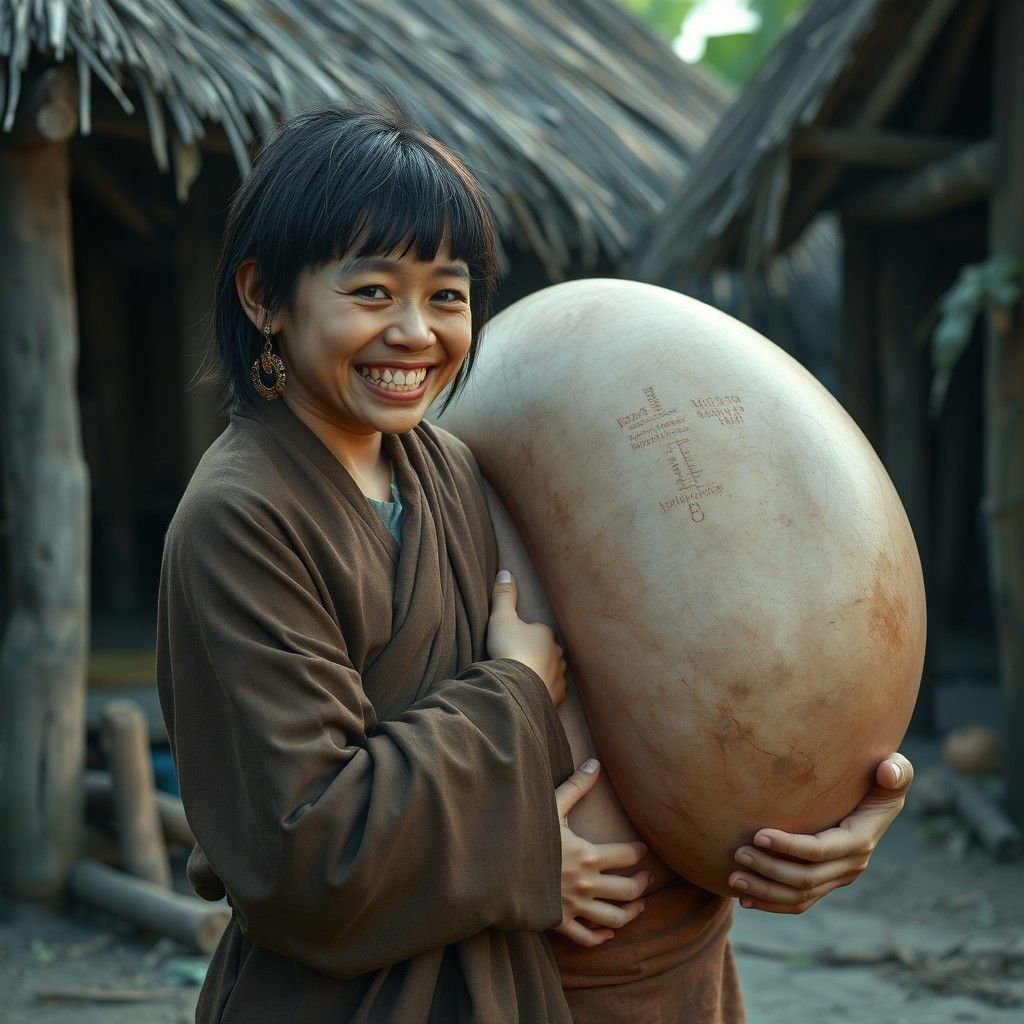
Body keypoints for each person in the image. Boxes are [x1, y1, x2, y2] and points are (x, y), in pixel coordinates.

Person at [156, 102, 913, 1024]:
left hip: (642, 969)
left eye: (447, 294)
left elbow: (667, 651)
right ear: (262, 298)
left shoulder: (456, 467)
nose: (415, 333)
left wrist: (830, 796)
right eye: (371, 293)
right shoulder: (241, 518)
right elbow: (304, 849)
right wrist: (514, 739)